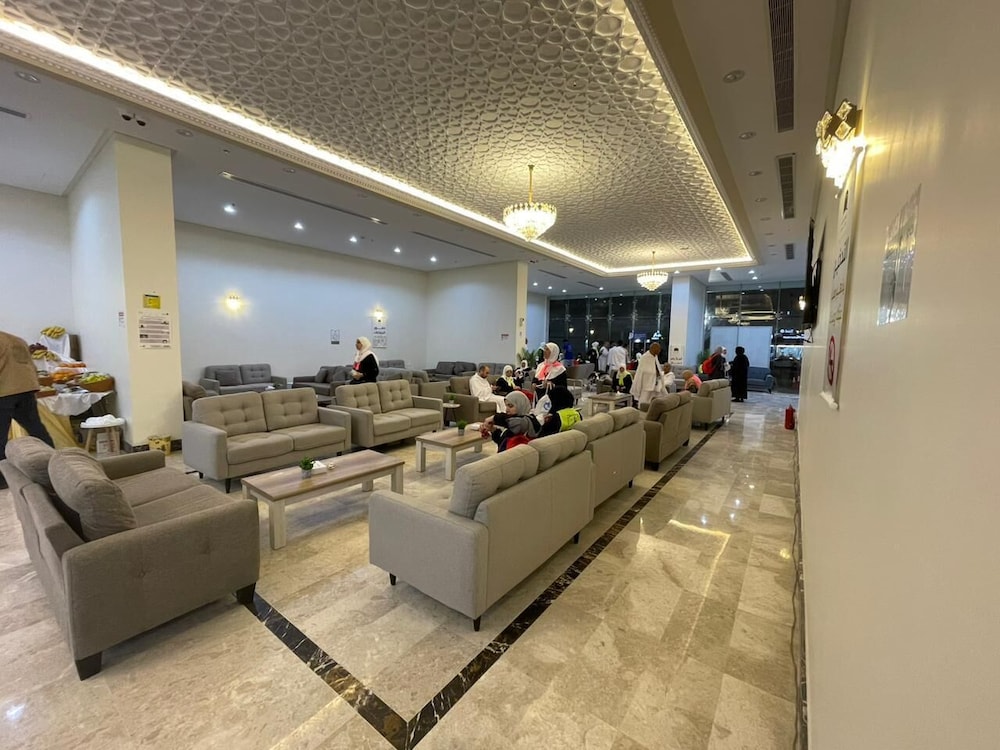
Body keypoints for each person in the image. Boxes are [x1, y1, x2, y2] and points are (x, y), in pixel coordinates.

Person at [1, 331, 54, 485]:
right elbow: (30, 365)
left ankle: (2, 478)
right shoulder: (17, 339)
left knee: (0, 436)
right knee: (36, 428)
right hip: (27, 388)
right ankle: (54, 464)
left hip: (4, 391)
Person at [630, 342, 665, 409]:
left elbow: (657, 367)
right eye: (658, 349)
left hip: (655, 384)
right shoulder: (645, 357)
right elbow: (641, 372)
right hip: (646, 384)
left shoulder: (655, 357)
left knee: (656, 402)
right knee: (644, 402)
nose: (659, 351)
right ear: (653, 349)